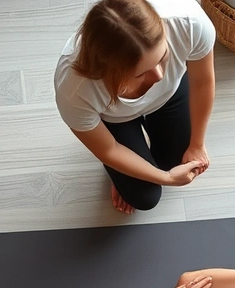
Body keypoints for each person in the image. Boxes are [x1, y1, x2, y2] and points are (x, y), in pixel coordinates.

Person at [54, 0, 216, 215]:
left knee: (176, 159)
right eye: (141, 74)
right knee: (144, 197)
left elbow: (202, 82)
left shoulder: (190, 23)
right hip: (114, 117)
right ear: (109, 73)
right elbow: (109, 149)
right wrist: (167, 178)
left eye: (163, 57)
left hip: (169, 96)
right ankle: (122, 168)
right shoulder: (74, 91)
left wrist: (197, 144)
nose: (159, 75)